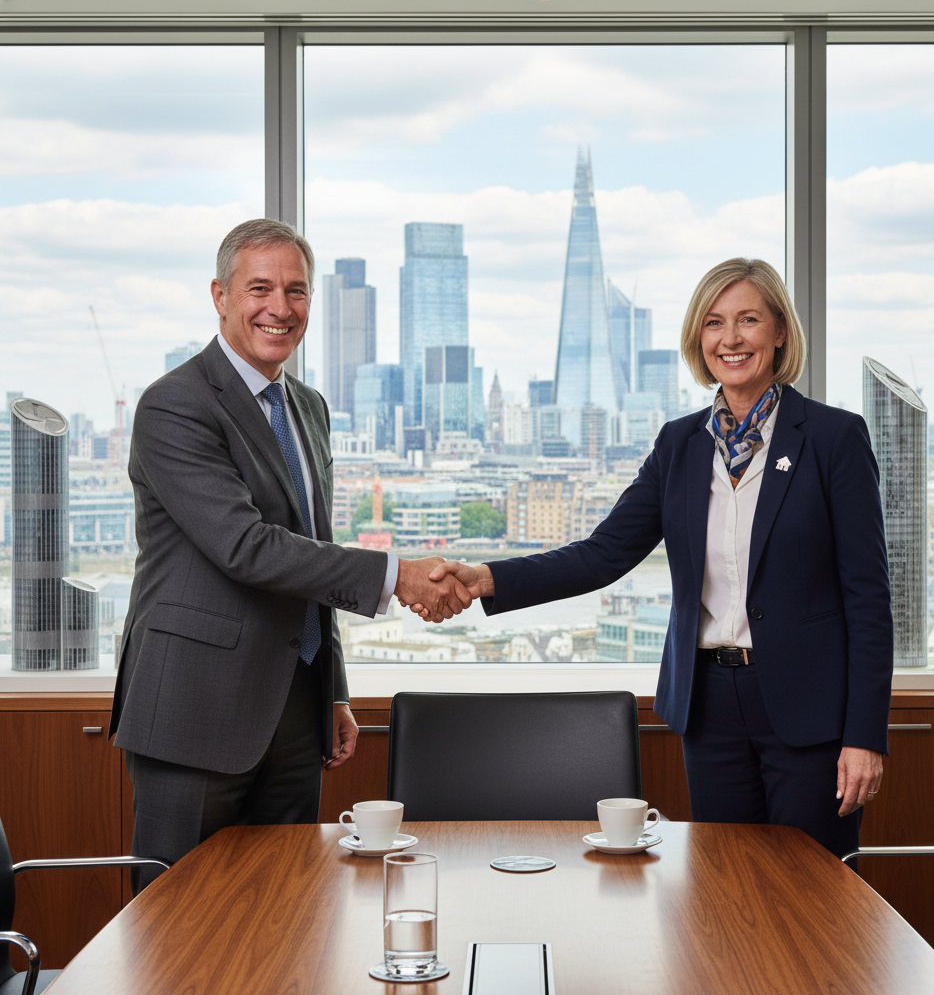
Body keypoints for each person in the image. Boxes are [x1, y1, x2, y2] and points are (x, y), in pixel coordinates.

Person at [422, 258, 893, 859]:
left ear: (779, 332)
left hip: (809, 715)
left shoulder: (833, 439)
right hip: (711, 708)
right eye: (714, 323)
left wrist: (864, 736)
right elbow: (603, 554)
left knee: (814, 893)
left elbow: (869, 601)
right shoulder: (681, 444)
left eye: (748, 320)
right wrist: (488, 578)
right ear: (699, 339)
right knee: (725, 892)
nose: (731, 338)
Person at [109, 218, 470, 891]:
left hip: (294, 709)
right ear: (220, 295)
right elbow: (245, 547)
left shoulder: (307, 406)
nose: (281, 308)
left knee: (283, 912)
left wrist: (328, 686)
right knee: (174, 921)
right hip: (196, 710)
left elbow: (309, 544)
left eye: (297, 291)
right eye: (260, 288)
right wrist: (398, 575)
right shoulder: (175, 405)